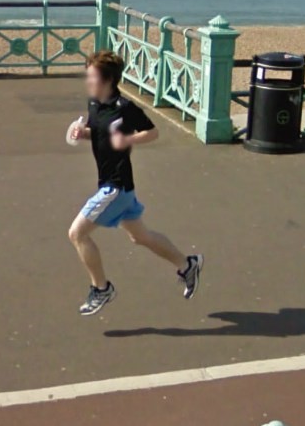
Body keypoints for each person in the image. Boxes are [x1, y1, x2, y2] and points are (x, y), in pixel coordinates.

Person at [68, 50, 204, 316]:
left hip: (115, 186)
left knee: (77, 233)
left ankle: (101, 288)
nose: (88, 80)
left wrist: (128, 140)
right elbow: (98, 133)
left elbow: (152, 132)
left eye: (92, 76)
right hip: (116, 184)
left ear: (107, 79)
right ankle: (187, 265)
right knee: (139, 236)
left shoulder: (125, 108)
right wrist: (81, 133)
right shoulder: (94, 104)